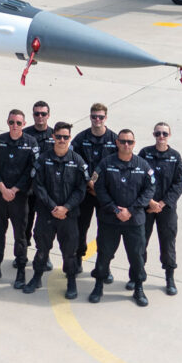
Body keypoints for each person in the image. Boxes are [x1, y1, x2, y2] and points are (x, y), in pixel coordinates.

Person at [89, 130, 155, 307]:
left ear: (134, 144)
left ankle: (138, 287)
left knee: (137, 256)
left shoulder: (143, 165)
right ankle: (98, 285)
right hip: (110, 220)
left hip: (134, 221)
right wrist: (114, 209)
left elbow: (149, 191)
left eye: (130, 142)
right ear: (117, 142)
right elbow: (99, 189)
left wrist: (131, 210)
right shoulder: (106, 164)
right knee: (104, 254)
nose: (126, 145)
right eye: (123, 141)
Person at [28, 122, 87, 299]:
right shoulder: (43, 159)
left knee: (69, 252)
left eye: (66, 137)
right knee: (41, 249)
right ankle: (36, 277)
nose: (62, 140)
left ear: (70, 138)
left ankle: (71, 281)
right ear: (53, 137)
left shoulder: (77, 161)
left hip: (69, 216)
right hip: (47, 213)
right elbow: (38, 186)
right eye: (59, 136)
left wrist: (66, 208)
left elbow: (81, 189)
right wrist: (53, 207)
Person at [0, 110, 38, 288]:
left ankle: (21, 271)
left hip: (19, 198)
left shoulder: (31, 143)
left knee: (20, 236)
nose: (15, 126)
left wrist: (14, 190)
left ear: (24, 124)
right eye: (11, 122)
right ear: (7, 122)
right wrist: (2, 188)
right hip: (0, 196)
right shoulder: (0, 140)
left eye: (18, 123)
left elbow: (31, 171)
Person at [138, 122, 182, 296]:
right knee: (140, 242)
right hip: (146, 207)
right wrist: (149, 202)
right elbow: (138, 178)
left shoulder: (175, 156)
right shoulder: (145, 153)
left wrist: (163, 204)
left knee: (168, 243)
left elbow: (179, 182)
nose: (161, 137)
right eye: (158, 133)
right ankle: (137, 276)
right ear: (153, 135)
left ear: (169, 135)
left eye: (164, 133)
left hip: (166, 208)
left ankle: (169, 277)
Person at [72, 103, 118, 273]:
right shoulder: (80, 139)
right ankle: (78, 259)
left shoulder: (114, 140)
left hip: (105, 195)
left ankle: (103, 265)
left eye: (100, 117)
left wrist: (98, 185)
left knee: (105, 231)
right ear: (90, 117)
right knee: (80, 228)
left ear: (106, 118)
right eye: (94, 116)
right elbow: (74, 163)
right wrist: (88, 182)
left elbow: (117, 165)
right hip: (85, 193)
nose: (97, 120)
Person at [22, 100, 53, 247]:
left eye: (43, 114)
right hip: (28, 186)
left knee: (44, 224)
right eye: (37, 114)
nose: (40, 116)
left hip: (46, 188)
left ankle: (43, 253)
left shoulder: (55, 136)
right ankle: (21, 253)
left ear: (48, 115)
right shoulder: (25, 134)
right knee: (24, 221)